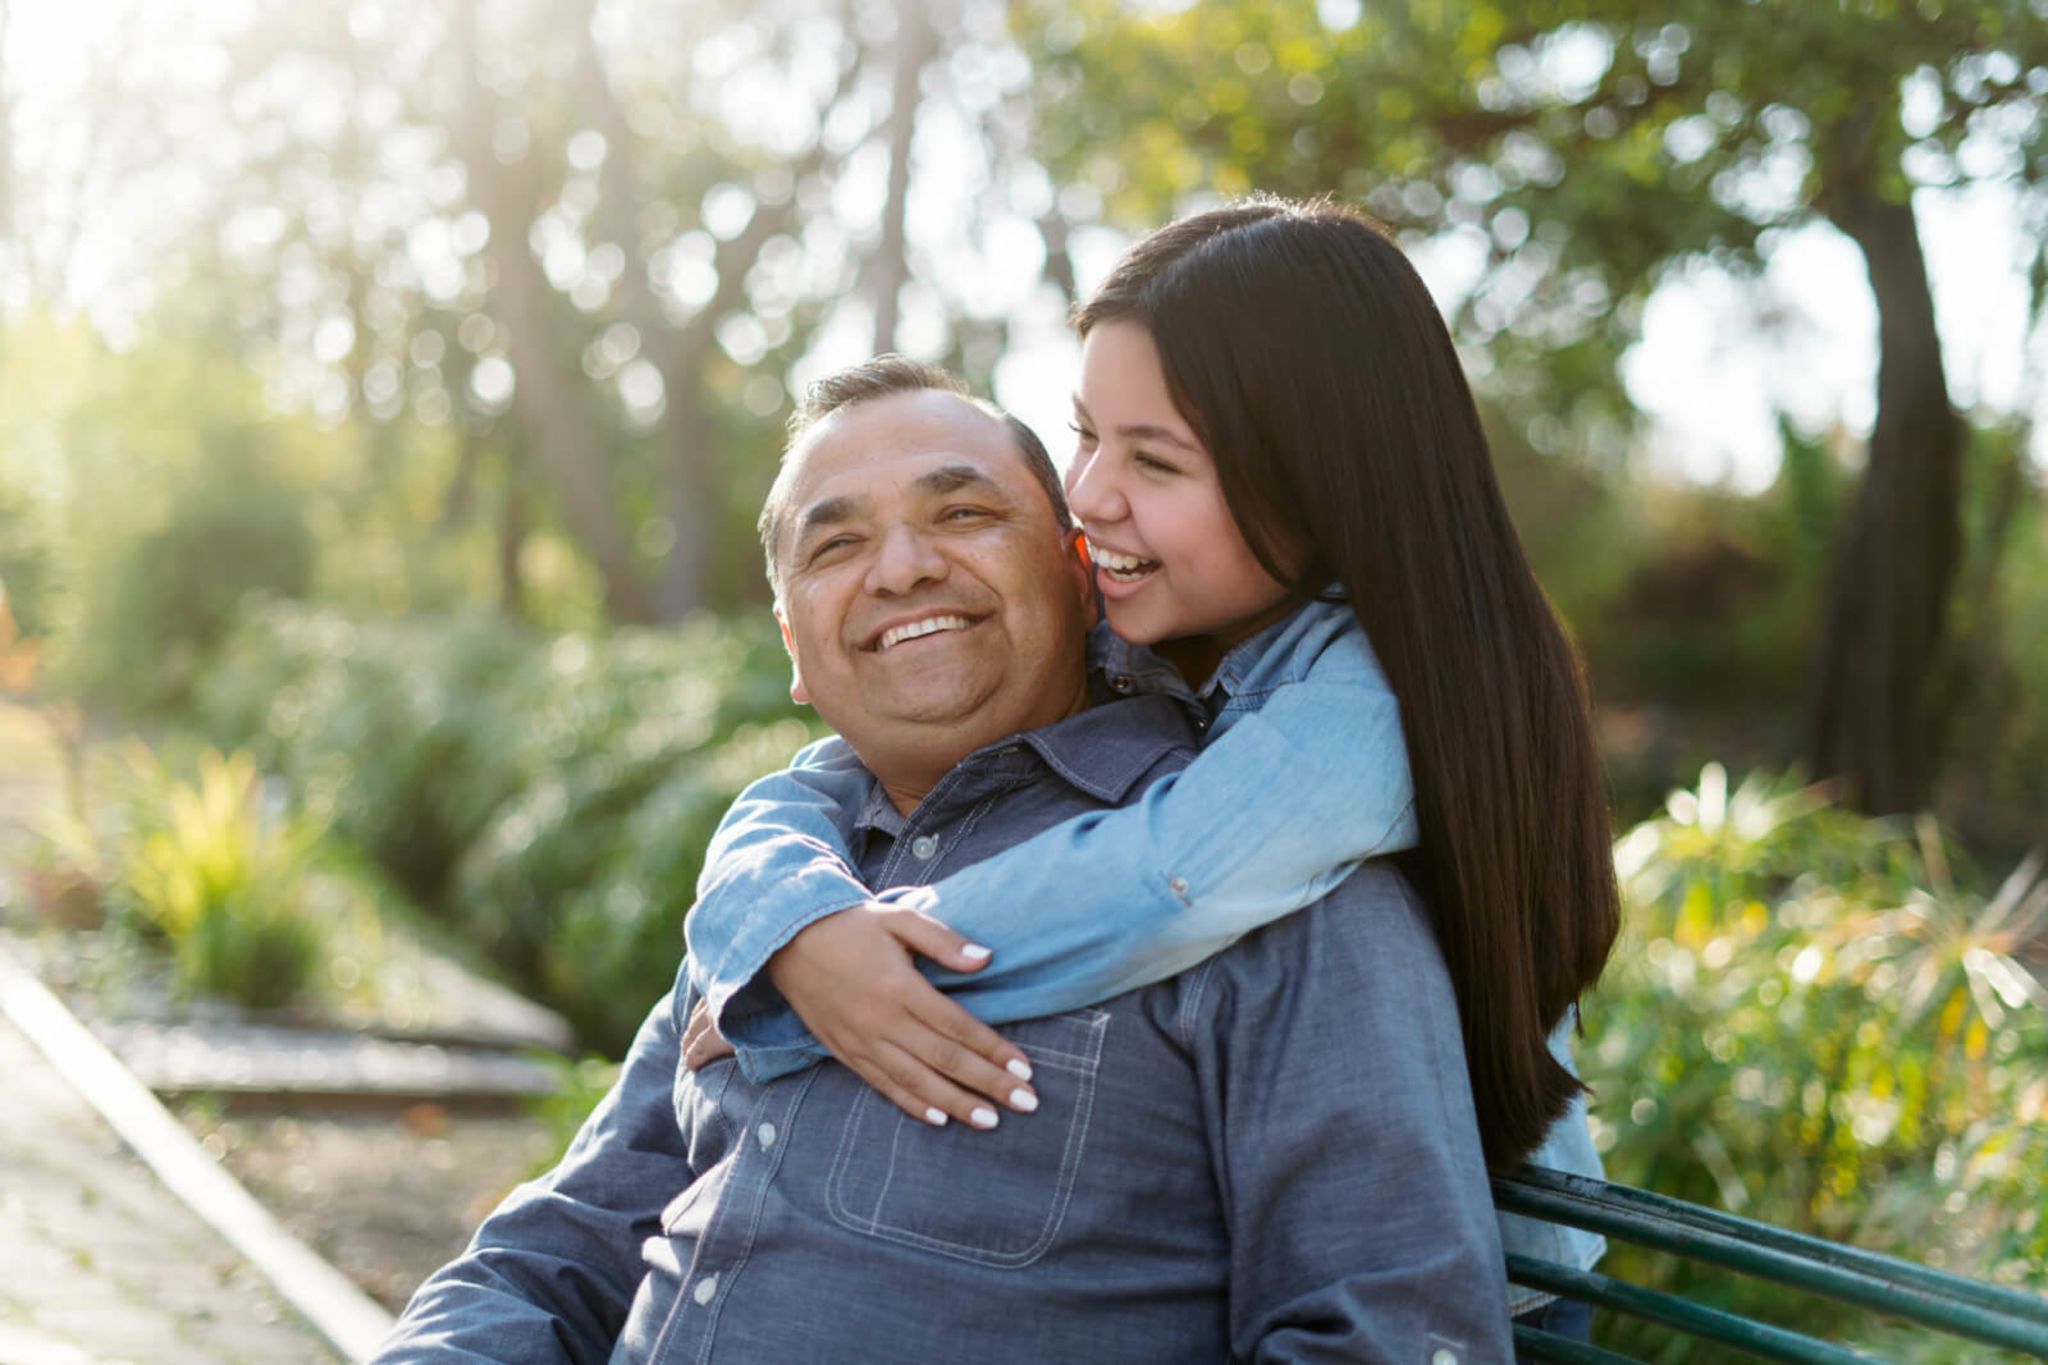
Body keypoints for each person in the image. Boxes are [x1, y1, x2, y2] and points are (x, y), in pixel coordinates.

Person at [374, 359, 1512, 1363]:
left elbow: (1394, 1336)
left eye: (961, 514)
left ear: (1085, 575)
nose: (902, 568)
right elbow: (561, 1247)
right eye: (837, 543)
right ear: (794, 652)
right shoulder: (787, 892)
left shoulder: (1275, 892)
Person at [683, 197, 1621, 1342]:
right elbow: (821, 776)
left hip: (1491, 1300)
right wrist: (782, 913)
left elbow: (1155, 883)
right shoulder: (1161, 623)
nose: (1084, 497)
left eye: (1155, 460)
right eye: (1084, 433)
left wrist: (854, 971)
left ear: (1313, 485)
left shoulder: (1360, 708)